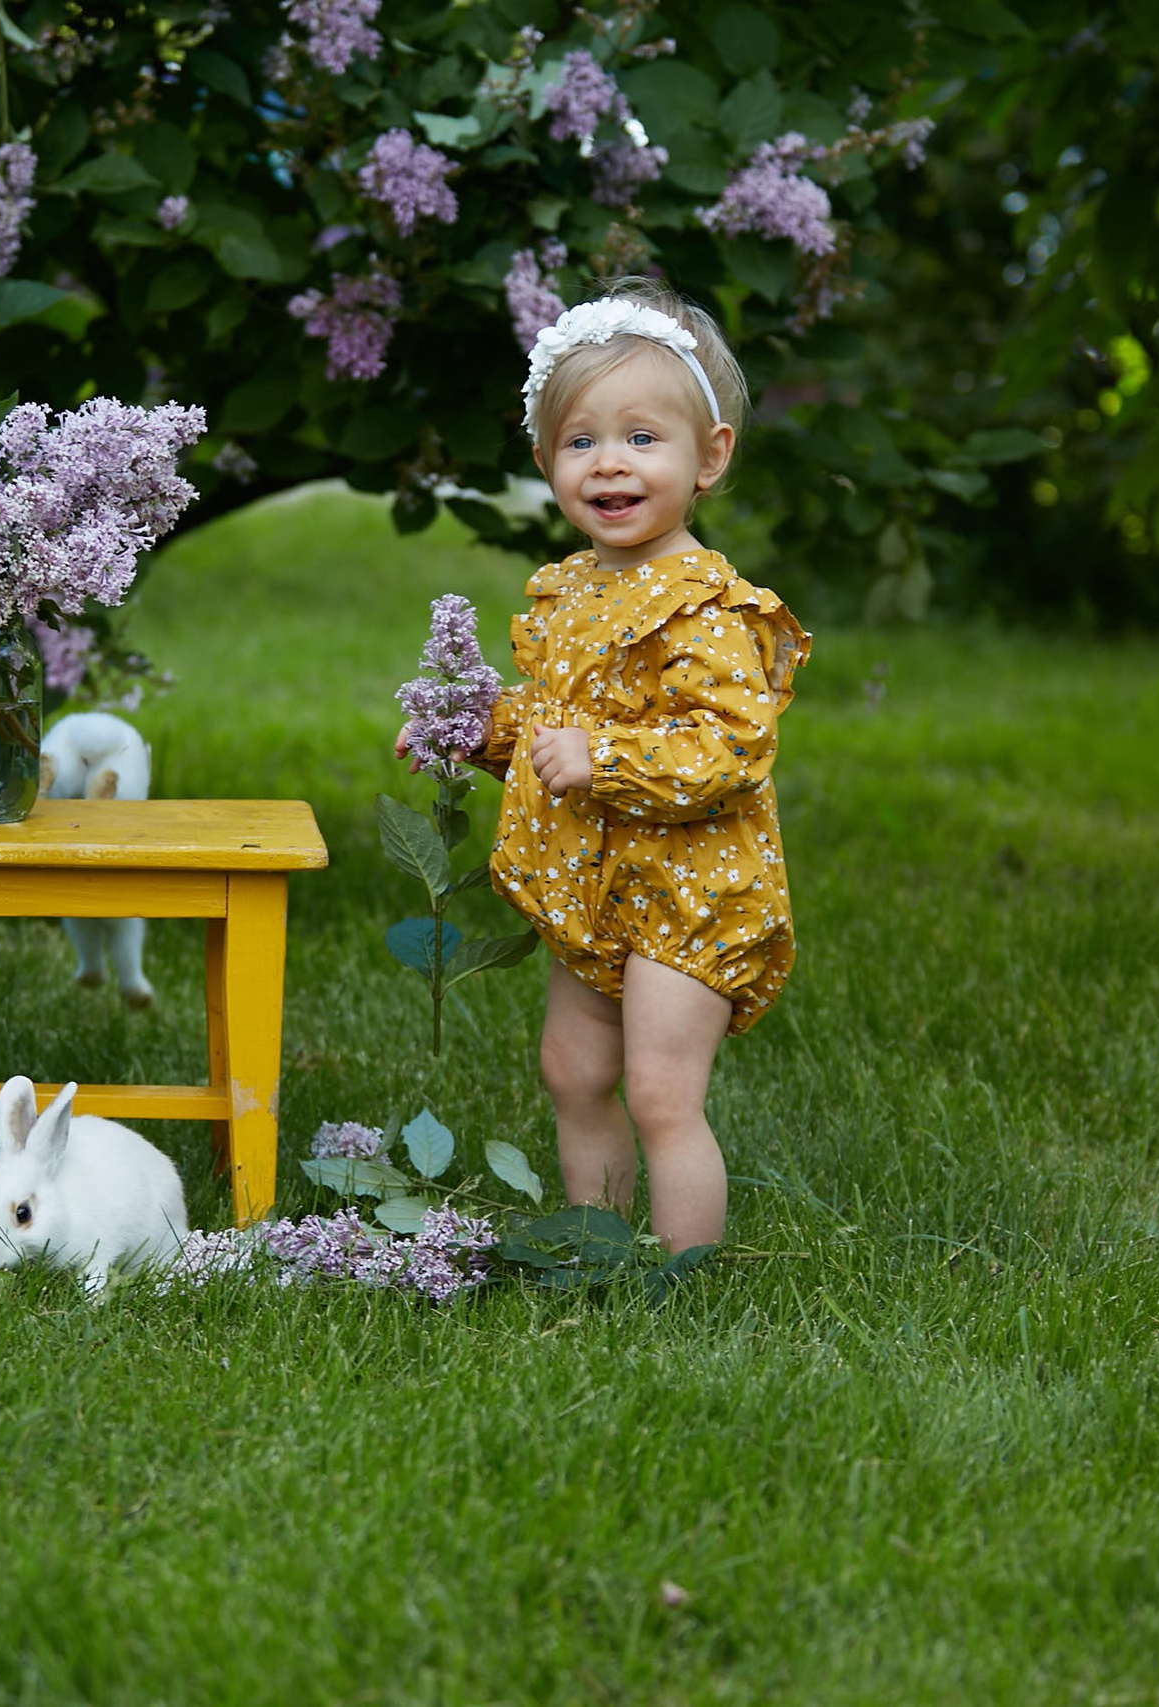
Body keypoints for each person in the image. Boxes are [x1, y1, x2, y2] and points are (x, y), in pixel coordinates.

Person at [396, 278, 809, 1253]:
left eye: (641, 439)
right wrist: (475, 728)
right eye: (580, 442)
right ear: (545, 460)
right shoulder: (572, 590)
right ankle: (598, 1242)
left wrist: (607, 757)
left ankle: (683, 1276)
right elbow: (555, 722)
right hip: (591, 883)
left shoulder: (709, 608)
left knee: (663, 1092)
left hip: (687, 893)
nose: (608, 465)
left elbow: (732, 749)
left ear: (708, 458)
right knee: (572, 1071)